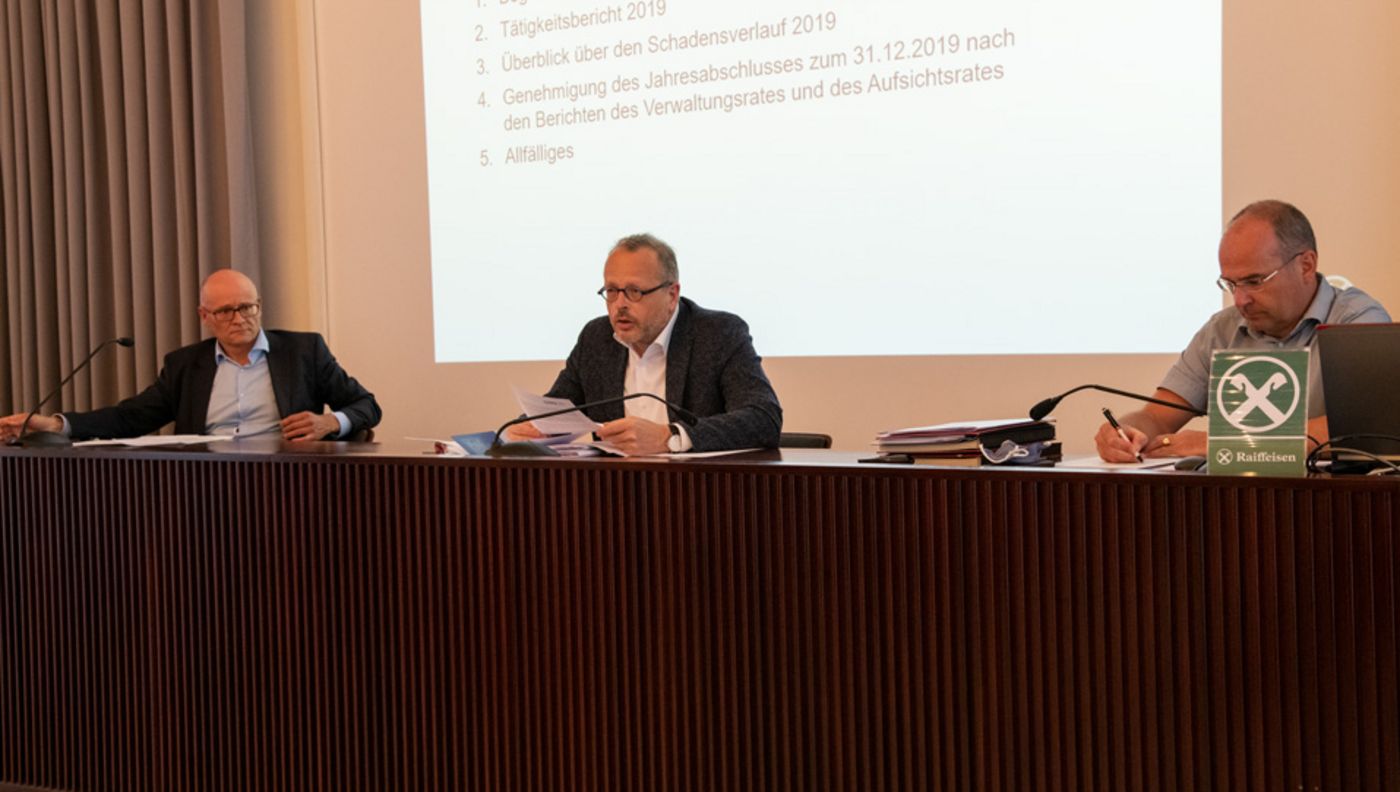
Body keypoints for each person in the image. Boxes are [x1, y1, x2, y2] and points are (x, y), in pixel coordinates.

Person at [1096, 200, 1390, 461]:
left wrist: (1220, 444)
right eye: (1231, 284)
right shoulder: (1222, 329)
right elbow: (1156, 418)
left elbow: (1366, 430)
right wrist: (1126, 432)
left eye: (1254, 281)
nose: (1239, 300)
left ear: (1306, 265)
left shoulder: (1358, 320)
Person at [0, 269, 381, 443]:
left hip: (285, 479)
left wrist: (330, 422)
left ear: (260, 306)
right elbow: (130, 418)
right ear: (205, 316)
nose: (239, 319)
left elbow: (366, 405)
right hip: (202, 483)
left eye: (247, 307)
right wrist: (54, 424)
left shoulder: (303, 351)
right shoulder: (185, 365)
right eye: (226, 311)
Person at [508, 233, 782, 454]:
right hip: (615, 493)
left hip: (697, 491)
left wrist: (669, 437)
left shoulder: (718, 333)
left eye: (634, 291)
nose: (619, 305)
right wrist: (534, 428)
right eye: (612, 291)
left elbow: (763, 418)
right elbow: (557, 409)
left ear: (672, 295)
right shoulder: (596, 338)